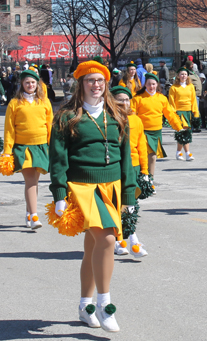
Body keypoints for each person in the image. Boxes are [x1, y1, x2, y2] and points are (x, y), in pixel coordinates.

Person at [49, 61, 137, 332]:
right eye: (90, 80)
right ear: (81, 84)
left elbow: (126, 160)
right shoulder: (67, 116)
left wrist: (129, 196)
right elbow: (58, 158)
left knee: (92, 248)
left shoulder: (118, 115)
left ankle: (85, 306)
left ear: (106, 83)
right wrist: (60, 193)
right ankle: (104, 303)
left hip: (110, 187)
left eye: (100, 80)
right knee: (108, 238)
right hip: (81, 187)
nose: (95, 85)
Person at [3, 70, 53, 230]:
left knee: (34, 182)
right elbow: (9, 129)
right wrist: (7, 150)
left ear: (37, 84)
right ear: (22, 84)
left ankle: (28, 212)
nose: (30, 85)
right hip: (22, 147)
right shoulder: (15, 103)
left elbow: (50, 125)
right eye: (27, 83)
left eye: (33, 82)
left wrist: (52, 146)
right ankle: (34, 215)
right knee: (31, 181)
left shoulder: (44, 101)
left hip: (40, 146)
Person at [110, 85, 148, 258]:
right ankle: (123, 241)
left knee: (130, 205)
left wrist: (145, 172)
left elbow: (142, 147)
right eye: (120, 100)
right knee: (116, 204)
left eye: (127, 100)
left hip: (132, 167)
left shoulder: (136, 120)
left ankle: (129, 239)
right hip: (115, 167)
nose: (125, 103)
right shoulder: (109, 119)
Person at [131, 73, 185, 178]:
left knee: (152, 156)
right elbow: (132, 114)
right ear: (145, 85)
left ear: (157, 85)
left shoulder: (162, 98)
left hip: (156, 131)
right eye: (149, 84)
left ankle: (150, 179)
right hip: (143, 131)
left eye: (153, 84)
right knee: (143, 155)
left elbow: (170, 114)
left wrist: (179, 127)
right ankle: (143, 176)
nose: (151, 87)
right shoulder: (138, 98)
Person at [168, 68, 199, 160]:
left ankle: (179, 152)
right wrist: (173, 114)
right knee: (183, 131)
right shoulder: (173, 87)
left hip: (188, 111)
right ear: (178, 76)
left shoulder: (191, 86)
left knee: (185, 132)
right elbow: (171, 101)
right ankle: (187, 153)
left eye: (185, 74)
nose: (183, 76)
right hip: (179, 112)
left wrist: (195, 113)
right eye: (182, 74)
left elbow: (193, 100)